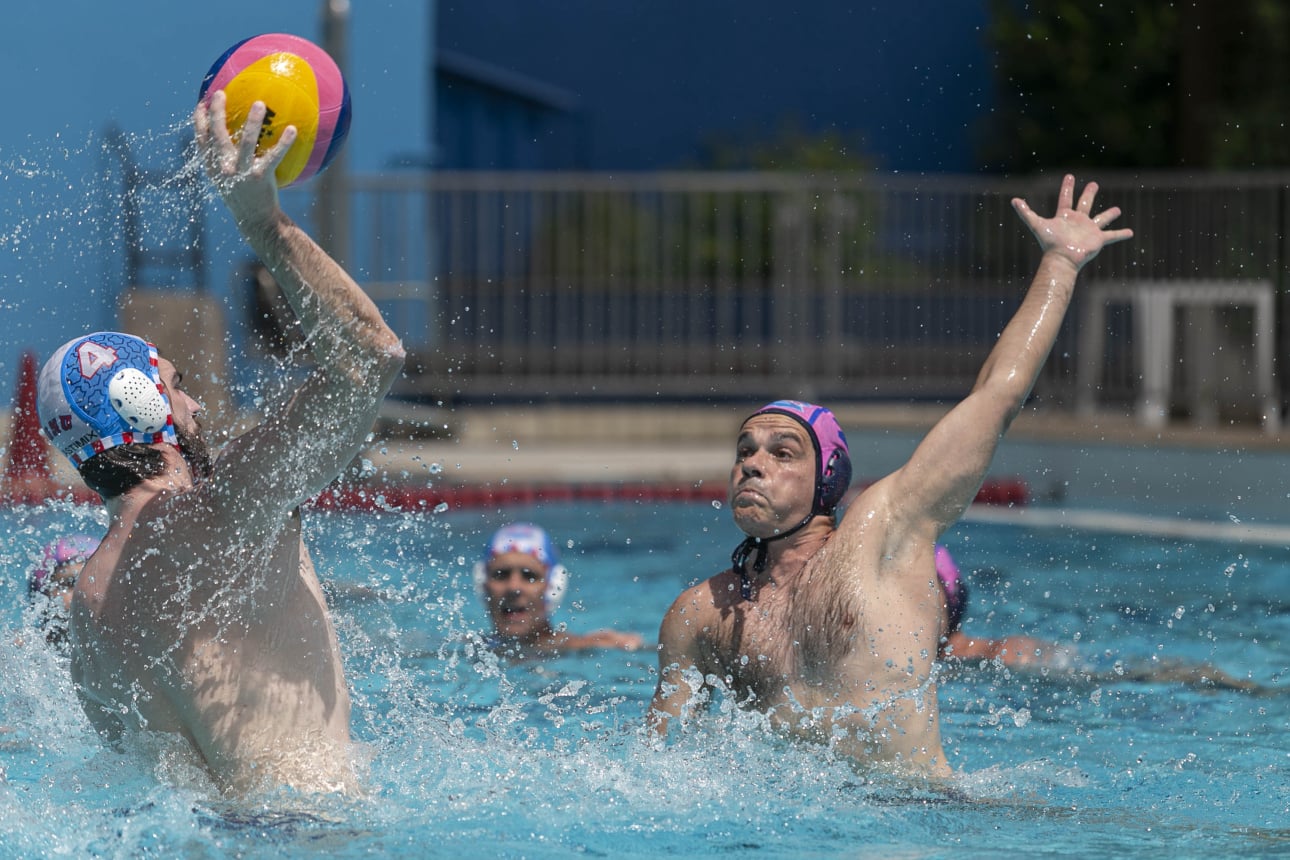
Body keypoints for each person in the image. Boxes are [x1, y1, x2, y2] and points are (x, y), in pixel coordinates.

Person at [648, 175, 1133, 778]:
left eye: (783, 452)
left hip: (918, 817)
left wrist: (1060, 263)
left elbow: (995, 398)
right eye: (745, 450)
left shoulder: (883, 533)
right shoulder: (700, 614)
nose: (752, 462)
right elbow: (662, 770)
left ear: (827, 479)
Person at [33, 92, 405, 797]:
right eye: (175, 385)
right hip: (310, 841)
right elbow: (371, 359)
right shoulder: (230, 507)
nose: (197, 400)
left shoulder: (86, 605)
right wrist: (264, 225)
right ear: (142, 408)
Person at [934, 544, 1274, 694]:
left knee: (1133, 675)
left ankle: (1224, 682)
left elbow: (1102, 677)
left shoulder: (1004, 653)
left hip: (1112, 682)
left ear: (948, 603)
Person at [475, 523, 644, 658]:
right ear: (483, 585)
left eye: (529, 576)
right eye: (501, 574)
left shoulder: (592, 648)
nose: (514, 588)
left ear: (553, 586)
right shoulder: (467, 648)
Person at [27, 534, 101, 651]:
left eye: (93, 582)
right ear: (43, 594)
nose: (82, 592)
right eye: (70, 583)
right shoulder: (25, 649)